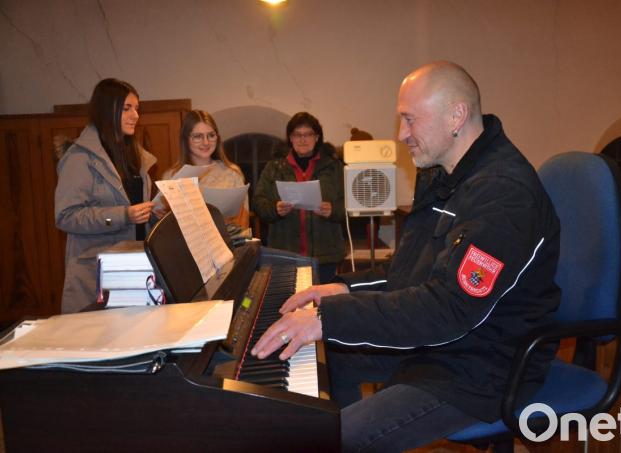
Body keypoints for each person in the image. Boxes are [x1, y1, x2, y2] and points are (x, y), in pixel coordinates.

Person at [250, 61, 562, 452]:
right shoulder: (445, 175)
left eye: (410, 120)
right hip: (443, 345)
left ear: (457, 115)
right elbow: (409, 275)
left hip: (485, 365)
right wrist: (340, 288)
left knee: (332, 437)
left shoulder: (502, 194)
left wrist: (328, 318)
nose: (402, 135)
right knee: (329, 360)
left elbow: (449, 309)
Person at [54, 78, 157, 314]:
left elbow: (135, 209)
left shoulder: (134, 154)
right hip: (97, 272)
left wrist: (153, 213)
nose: (135, 116)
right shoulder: (79, 158)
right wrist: (123, 215)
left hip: (136, 267)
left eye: (137, 109)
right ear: (106, 110)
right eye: (126, 109)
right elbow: (66, 216)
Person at [253, 112, 346, 284]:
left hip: (325, 254)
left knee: (323, 304)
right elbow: (258, 202)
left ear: (317, 137)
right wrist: (275, 209)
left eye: (308, 134)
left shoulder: (333, 166)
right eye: (297, 134)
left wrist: (333, 210)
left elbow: (349, 204)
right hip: (285, 253)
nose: (303, 139)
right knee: (290, 304)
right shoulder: (275, 167)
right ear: (290, 138)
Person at [160, 110, 249, 229]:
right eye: (198, 136)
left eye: (211, 135)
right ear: (185, 139)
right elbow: (163, 225)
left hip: (226, 242)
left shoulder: (232, 173)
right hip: (184, 244)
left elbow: (243, 220)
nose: (206, 142)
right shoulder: (171, 176)